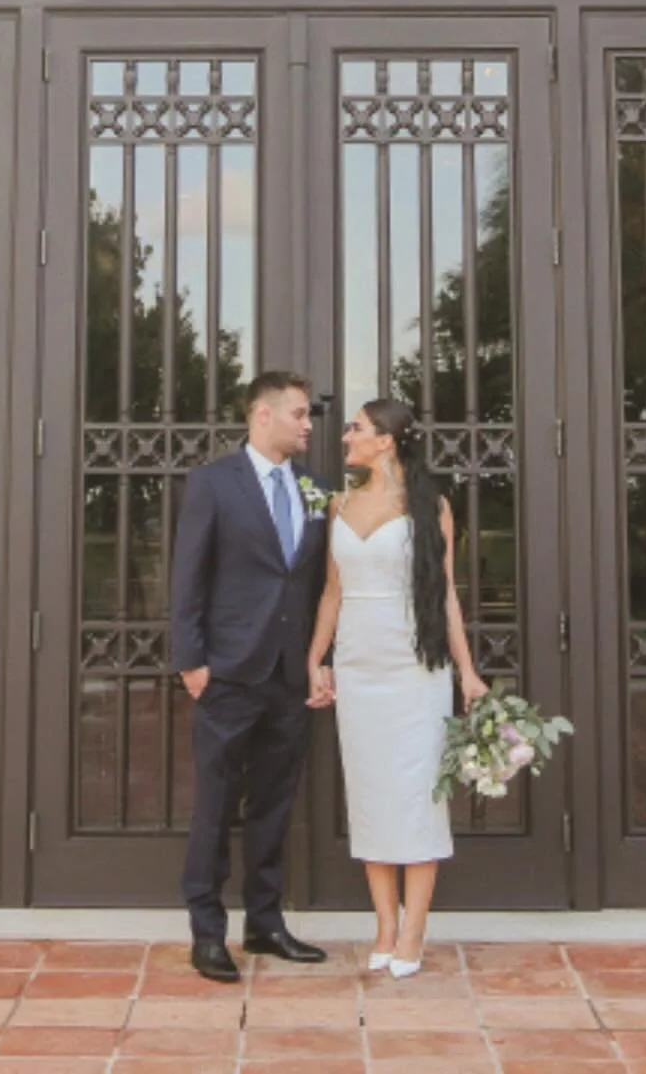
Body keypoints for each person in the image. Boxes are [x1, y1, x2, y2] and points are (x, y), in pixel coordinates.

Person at [306, 396, 487, 978]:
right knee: (371, 795)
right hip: (359, 666)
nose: (346, 437)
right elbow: (331, 592)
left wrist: (468, 670)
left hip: (415, 668)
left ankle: (413, 931)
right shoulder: (338, 504)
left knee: (416, 797)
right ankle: (383, 925)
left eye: (356, 429)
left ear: (385, 439)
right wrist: (317, 660)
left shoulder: (431, 505)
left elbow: (446, 594)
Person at [170, 370, 332, 983]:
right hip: (228, 675)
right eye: (298, 413)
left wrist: (320, 660)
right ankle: (207, 932)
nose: (308, 424)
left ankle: (265, 925)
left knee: (274, 806)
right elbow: (189, 576)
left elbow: (316, 584)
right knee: (214, 806)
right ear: (261, 416)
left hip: (290, 676)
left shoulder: (315, 488)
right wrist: (191, 661)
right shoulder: (213, 483)